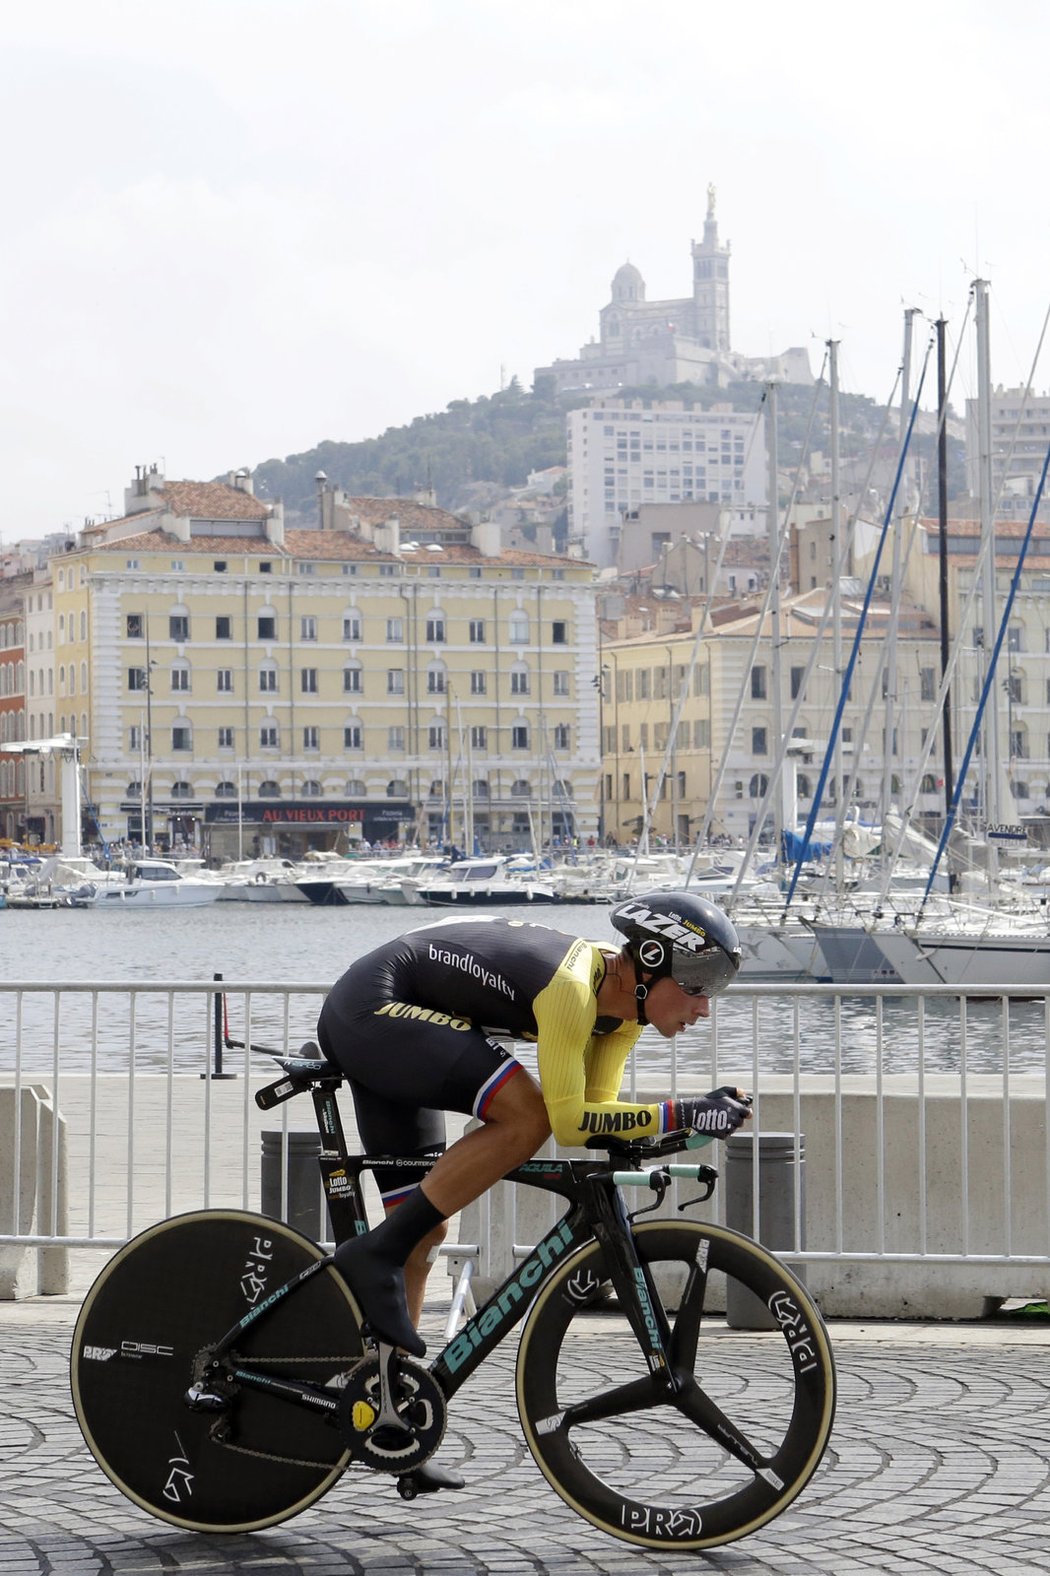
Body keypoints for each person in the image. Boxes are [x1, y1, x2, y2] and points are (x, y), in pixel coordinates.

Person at [316, 889, 750, 1490]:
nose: (705, 1009)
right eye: (699, 985)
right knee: (526, 1115)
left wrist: (680, 1124)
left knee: (423, 1236)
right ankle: (373, 1255)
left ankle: (391, 1420)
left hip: (401, 1020)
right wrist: (680, 1111)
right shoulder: (573, 990)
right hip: (373, 1007)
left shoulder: (622, 1020)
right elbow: (567, 1120)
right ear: (650, 962)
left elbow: (600, 1112)